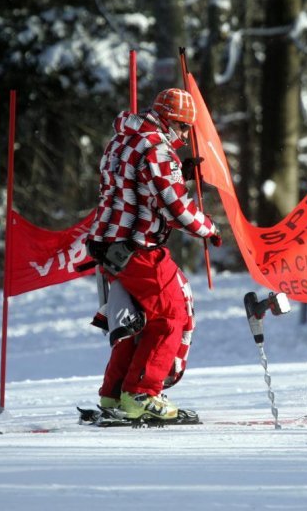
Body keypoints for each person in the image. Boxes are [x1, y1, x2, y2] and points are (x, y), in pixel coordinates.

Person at [85, 88, 221, 420]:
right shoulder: (156, 148)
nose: (186, 135)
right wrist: (209, 228)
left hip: (107, 243)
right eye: (183, 126)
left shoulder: (121, 140)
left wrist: (180, 175)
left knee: (138, 319)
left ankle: (115, 395)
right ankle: (141, 394)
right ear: (167, 119)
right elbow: (174, 209)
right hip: (138, 246)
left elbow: (134, 186)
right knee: (170, 315)